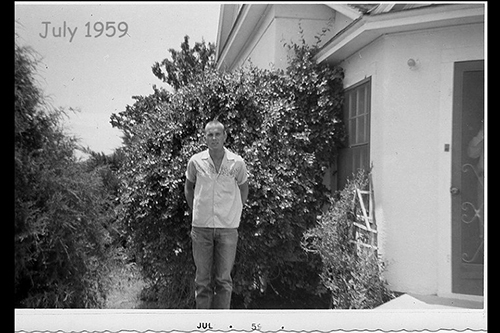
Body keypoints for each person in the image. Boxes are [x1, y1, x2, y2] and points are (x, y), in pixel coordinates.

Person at [184, 120, 249, 309]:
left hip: (228, 228)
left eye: (217, 134)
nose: (214, 138)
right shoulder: (195, 162)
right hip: (201, 228)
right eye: (210, 135)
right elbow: (189, 187)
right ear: (204, 137)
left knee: (224, 280)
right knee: (202, 280)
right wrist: (195, 209)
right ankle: (204, 325)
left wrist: (235, 212)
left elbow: (244, 189)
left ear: (225, 136)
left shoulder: (237, 163)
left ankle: (222, 326)